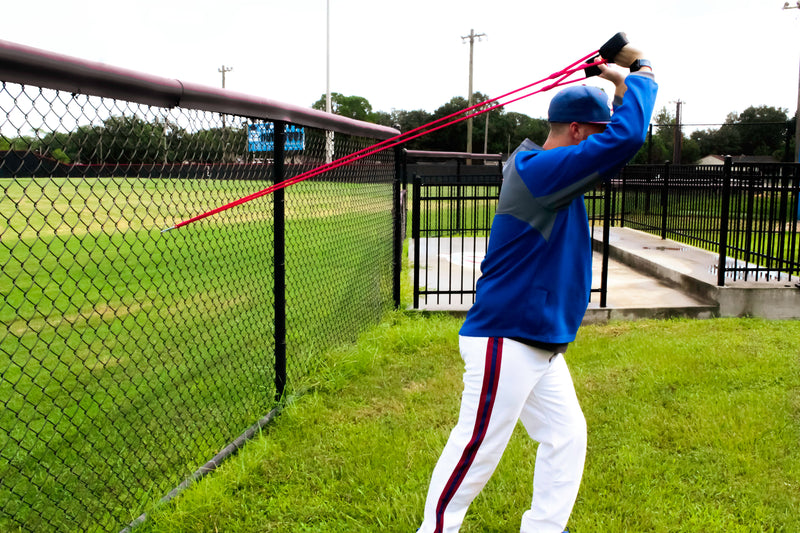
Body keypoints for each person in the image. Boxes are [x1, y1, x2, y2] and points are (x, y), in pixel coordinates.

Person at [417, 38, 657, 533]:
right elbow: (626, 139)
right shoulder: (541, 172)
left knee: (567, 436)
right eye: (594, 133)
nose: (599, 144)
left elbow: (615, 133)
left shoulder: (545, 169)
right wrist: (641, 72)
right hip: (507, 338)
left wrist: (614, 82)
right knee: (476, 450)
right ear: (575, 130)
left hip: (536, 341)